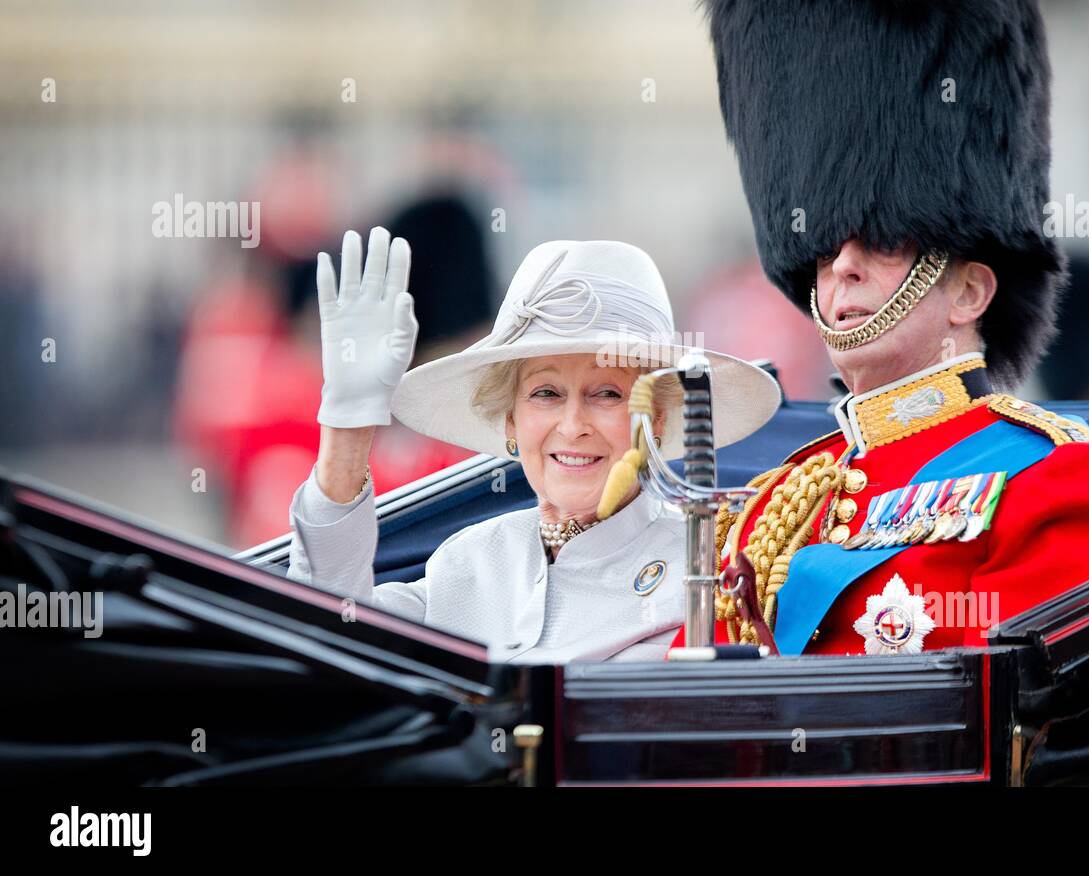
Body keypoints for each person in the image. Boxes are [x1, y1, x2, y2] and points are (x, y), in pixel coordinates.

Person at [681, 0, 1089, 655]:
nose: (843, 267)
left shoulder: (1052, 479)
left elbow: (1025, 727)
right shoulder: (775, 501)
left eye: (885, 241)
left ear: (968, 293)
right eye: (825, 248)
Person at [286, 229, 780, 663]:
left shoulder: (709, 566)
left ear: (657, 419)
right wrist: (348, 428)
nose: (573, 425)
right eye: (546, 393)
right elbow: (333, 644)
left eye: (607, 394)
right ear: (510, 420)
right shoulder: (467, 560)